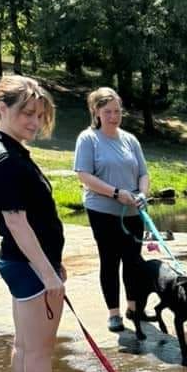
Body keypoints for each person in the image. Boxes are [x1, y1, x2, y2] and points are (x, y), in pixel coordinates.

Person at [0, 75, 94, 372]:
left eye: (40, 116)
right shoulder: (4, 157)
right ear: (2, 108)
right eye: (26, 113)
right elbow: (15, 221)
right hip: (28, 267)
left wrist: (49, 265)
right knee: (39, 352)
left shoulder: (3, 148)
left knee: (25, 346)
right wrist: (48, 274)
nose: (34, 122)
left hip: (23, 263)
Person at [73, 87, 150, 332]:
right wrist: (116, 193)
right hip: (103, 211)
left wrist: (142, 195)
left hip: (133, 212)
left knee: (133, 261)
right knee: (110, 261)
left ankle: (134, 307)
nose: (114, 116)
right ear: (96, 112)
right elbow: (83, 175)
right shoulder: (88, 139)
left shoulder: (130, 139)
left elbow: (143, 173)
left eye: (117, 111)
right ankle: (113, 313)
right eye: (108, 112)